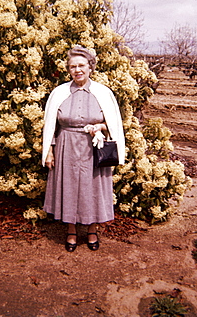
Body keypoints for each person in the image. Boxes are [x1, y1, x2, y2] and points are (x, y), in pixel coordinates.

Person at [42, 45, 125, 252]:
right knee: (68, 187)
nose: (77, 70)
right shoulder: (59, 92)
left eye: (81, 65)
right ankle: (71, 230)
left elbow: (113, 123)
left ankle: (92, 230)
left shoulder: (103, 93)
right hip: (66, 146)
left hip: (93, 148)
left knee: (93, 188)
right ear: (68, 70)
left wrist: (100, 127)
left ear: (90, 67)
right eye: (73, 66)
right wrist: (50, 150)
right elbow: (51, 125)